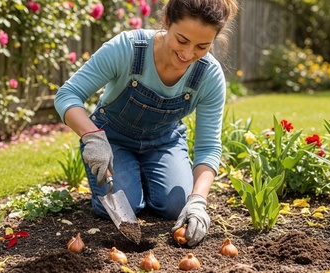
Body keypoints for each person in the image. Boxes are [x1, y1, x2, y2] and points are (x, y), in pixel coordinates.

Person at [55, 0, 238, 247]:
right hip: (111, 141)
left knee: (177, 206)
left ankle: (143, 174)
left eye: (202, 46)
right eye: (182, 40)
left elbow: (208, 147)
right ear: (166, 23)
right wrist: (91, 136)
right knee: (127, 204)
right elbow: (67, 95)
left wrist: (198, 200)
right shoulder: (128, 49)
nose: (187, 54)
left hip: (163, 142)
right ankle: (131, 176)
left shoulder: (208, 75)